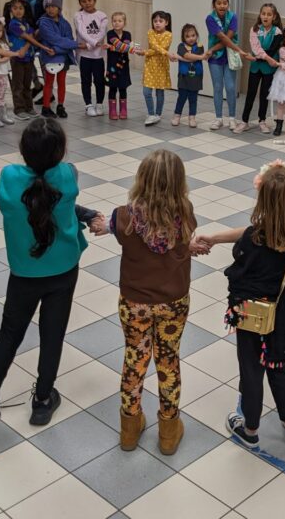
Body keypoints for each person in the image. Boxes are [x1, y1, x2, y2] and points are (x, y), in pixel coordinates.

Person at [0, 118, 105, 425]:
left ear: (22, 150)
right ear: (60, 151)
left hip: (24, 273)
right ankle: (43, 400)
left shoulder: (8, 177)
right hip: (63, 270)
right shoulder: (69, 176)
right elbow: (59, 194)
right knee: (53, 333)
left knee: (10, 331)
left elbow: (14, 194)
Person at [198, 161, 285, 450]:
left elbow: (247, 241)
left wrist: (213, 240)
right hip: (281, 317)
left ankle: (249, 427)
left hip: (251, 314)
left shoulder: (253, 238)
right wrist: (217, 237)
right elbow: (252, 230)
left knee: (251, 369)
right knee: (277, 364)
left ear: (263, 200)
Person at [112, 150, 202, 456]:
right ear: (179, 182)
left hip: (134, 300)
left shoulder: (124, 217)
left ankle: (129, 428)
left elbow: (119, 231)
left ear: (141, 179)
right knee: (168, 361)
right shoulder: (185, 212)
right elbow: (182, 238)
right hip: (173, 301)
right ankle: (168, 431)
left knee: (134, 361)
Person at [206, 0, 251, 131]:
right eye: (219, 3)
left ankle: (232, 118)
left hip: (230, 56)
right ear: (214, 5)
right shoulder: (210, 18)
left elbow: (228, 38)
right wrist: (240, 50)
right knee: (218, 87)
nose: (222, 6)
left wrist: (213, 49)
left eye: (225, 3)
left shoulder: (233, 17)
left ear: (228, 4)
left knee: (231, 88)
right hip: (215, 58)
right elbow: (223, 38)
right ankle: (218, 118)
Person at [237, 3, 283, 134]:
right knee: (250, 94)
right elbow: (255, 48)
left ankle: (262, 120)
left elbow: (272, 50)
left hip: (269, 69)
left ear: (274, 17)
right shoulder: (255, 29)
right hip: (255, 68)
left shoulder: (278, 32)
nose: (265, 16)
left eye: (269, 14)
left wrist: (258, 57)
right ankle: (244, 121)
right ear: (260, 15)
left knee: (264, 95)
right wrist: (262, 58)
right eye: (263, 13)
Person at [5, 0, 50, 121]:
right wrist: (34, 44)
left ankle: (29, 107)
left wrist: (27, 46)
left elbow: (31, 36)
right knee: (17, 85)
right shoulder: (12, 24)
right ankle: (19, 109)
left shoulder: (26, 23)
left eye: (21, 8)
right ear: (11, 10)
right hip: (17, 58)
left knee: (27, 84)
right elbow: (29, 37)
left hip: (28, 57)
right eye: (15, 8)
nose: (18, 11)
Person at [36, 0, 78, 119]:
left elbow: (68, 41)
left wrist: (56, 50)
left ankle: (60, 106)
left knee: (62, 82)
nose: (50, 9)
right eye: (48, 6)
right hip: (49, 58)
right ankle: (46, 107)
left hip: (63, 57)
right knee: (49, 83)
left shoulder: (65, 24)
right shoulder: (43, 23)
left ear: (59, 8)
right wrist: (68, 45)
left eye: (54, 6)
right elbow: (55, 39)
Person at [0, 17, 24, 127]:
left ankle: (3, 115)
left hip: (3, 72)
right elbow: (1, 52)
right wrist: (16, 53)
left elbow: (6, 56)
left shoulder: (3, 42)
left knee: (2, 94)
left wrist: (0, 60)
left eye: (0, 30)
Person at [75, 0, 108, 118]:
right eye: (83, 1)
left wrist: (90, 44)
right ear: (80, 3)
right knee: (86, 81)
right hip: (84, 55)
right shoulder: (78, 15)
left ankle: (99, 104)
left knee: (99, 81)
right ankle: (88, 105)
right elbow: (81, 31)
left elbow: (102, 32)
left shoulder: (102, 15)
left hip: (99, 55)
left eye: (89, 0)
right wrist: (92, 44)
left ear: (94, 1)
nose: (87, 3)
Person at [172, 23, 207, 128]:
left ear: (196, 35)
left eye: (193, 35)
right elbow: (189, 56)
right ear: (183, 37)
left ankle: (192, 117)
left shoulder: (200, 46)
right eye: (187, 36)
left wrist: (179, 57)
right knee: (181, 97)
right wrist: (201, 57)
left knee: (193, 98)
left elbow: (193, 57)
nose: (191, 38)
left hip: (196, 76)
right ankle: (177, 115)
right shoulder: (181, 46)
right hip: (184, 76)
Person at [142, 10, 173, 126]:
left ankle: (157, 114)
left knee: (160, 92)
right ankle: (151, 114)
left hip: (162, 66)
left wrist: (145, 52)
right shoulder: (150, 32)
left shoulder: (169, 35)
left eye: (160, 21)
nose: (157, 23)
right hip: (150, 66)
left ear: (166, 22)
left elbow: (161, 48)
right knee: (146, 92)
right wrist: (167, 53)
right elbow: (155, 47)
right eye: (155, 21)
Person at [106, 11, 134, 121]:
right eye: (114, 21)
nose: (116, 23)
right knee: (112, 88)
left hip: (124, 67)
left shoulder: (127, 34)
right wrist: (131, 49)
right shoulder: (110, 34)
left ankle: (123, 109)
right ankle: (112, 110)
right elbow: (122, 46)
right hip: (112, 66)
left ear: (124, 23)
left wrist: (111, 47)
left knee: (123, 88)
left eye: (119, 21)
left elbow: (125, 47)